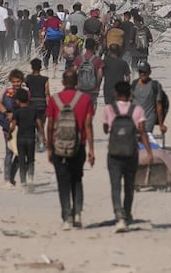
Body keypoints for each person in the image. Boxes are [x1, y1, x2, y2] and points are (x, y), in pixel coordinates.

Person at [46, 69, 96, 230]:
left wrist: (49, 147)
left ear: (62, 82)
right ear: (77, 82)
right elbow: (88, 125)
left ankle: (66, 217)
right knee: (77, 179)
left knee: (63, 182)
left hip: (58, 146)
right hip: (78, 146)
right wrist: (91, 149)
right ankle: (77, 213)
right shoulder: (85, 99)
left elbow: (51, 124)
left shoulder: (54, 100)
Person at [103, 80, 152, 232]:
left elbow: (106, 129)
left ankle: (119, 215)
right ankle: (128, 213)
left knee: (115, 185)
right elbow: (142, 131)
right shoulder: (137, 110)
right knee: (129, 186)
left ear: (116, 94)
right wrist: (149, 151)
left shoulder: (109, 109)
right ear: (130, 94)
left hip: (114, 153)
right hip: (131, 153)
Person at [10, 88, 45, 192]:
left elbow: (13, 126)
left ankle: (23, 181)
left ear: (17, 100)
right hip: (31, 138)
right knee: (30, 159)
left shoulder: (17, 111)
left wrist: (9, 133)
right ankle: (30, 178)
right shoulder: (33, 110)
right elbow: (39, 124)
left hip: (20, 138)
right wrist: (44, 137)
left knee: (21, 159)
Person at [0, 69, 26, 188]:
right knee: (9, 153)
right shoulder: (7, 92)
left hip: (21, 127)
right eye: (14, 81)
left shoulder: (25, 93)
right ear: (11, 81)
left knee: (20, 153)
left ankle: (12, 176)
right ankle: (7, 179)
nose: (16, 84)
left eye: (18, 81)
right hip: (8, 127)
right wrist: (6, 113)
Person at [131, 61, 166, 135]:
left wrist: (161, 124)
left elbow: (158, 105)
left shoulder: (155, 85)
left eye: (144, 72)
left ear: (149, 72)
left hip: (148, 119)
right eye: (140, 72)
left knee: (144, 138)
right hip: (134, 119)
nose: (142, 74)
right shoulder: (134, 84)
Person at [25, 58, 50, 150]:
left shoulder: (28, 78)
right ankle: (41, 141)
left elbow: (27, 87)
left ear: (32, 67)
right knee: (42, 123)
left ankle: (36, 142)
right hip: (42, 103)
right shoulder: (45, 79)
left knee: (33, 123)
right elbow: (47, 92)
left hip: (32, 103)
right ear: (40, 67)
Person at [73, 37, 105, 104]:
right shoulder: (98, 59)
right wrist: (97, 85)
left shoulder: (79, 58)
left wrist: (76, 84)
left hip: (81, 88)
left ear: (85, 46)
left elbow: (73, 72)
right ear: (94, 47)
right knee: (92, 109)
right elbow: (100, 74)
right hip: (93, 89)